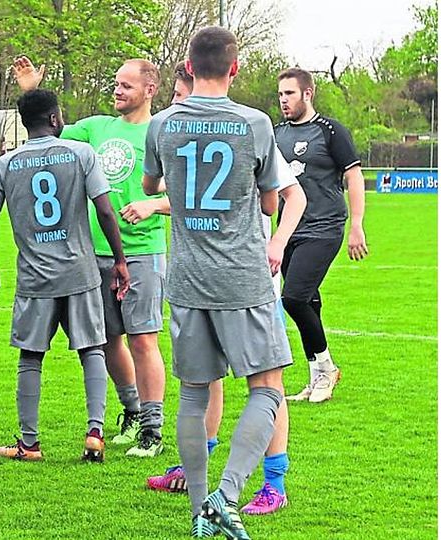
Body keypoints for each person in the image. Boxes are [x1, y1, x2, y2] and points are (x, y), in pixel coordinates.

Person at [142, 27, 293, 539]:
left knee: (192, 396)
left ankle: (198, 516)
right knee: (267, 388)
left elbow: (151, 185)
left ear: (187, 64)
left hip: (185, 277)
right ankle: (225, 496)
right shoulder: (255, 123)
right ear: (235, 68)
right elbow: (273, 201)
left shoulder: (161, 124)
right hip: (241, 276)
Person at [12, 56, 169, 458]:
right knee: (107, 339)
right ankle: (132, 411)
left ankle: (153, 429)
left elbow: (188, 192)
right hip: (90, 256)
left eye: (126, 86)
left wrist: (154, 206)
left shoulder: (161, 131)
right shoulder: (96, 128)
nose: (117, 91)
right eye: (116, 84)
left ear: (149, 90)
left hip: (141, 250)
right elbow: (48, 130)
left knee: (143, 339)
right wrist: (31, 89)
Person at [0, 89, 130, 463]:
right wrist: (120, 261)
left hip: (35, 278)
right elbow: (106, 212)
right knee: (92, 350)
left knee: (31, 357)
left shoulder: (4, 164)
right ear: (55, 119)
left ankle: (29, 443)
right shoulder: (81, 155)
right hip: (80, 271)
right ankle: (95, 432)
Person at [275, 67, 368, 403]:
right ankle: (316, 377)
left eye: (290, 93)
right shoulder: (276, 134)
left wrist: (356, 224)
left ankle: (327, 368)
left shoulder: (330, 131)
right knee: (309, 300)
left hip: (324, 226)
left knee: (294, 298)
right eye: (281, 94)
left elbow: (354, 177)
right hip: (288, 230)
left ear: (307, 93)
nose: (284, 100)